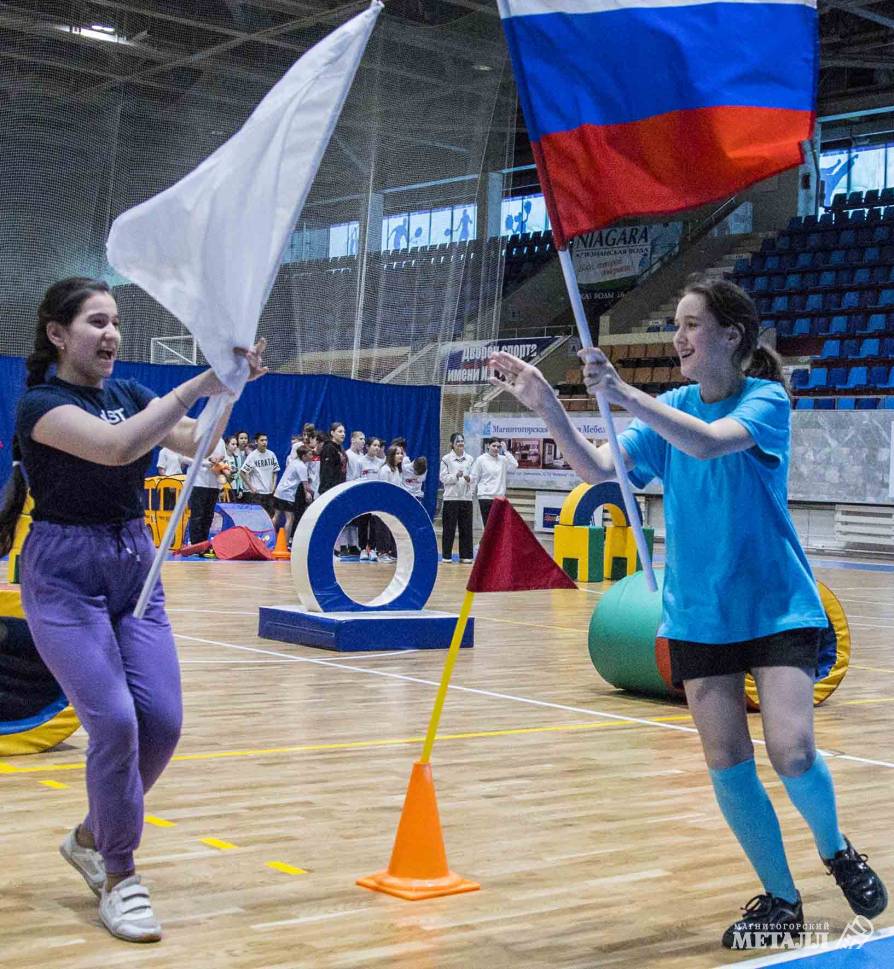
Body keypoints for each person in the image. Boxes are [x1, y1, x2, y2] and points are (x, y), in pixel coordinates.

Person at [489, 275, 887, 950]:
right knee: (727, 758)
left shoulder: (765, 402)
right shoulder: (666, 405)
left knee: (792, 750)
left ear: (731, 336)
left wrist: (623, 393)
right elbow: (598, 469)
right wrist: (549, 405)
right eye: (676, 324)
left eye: (690, 324)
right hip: (699, 613)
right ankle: (781, 898)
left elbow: (706, 441)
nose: (678, 337)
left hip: (777, 604)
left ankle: (836, 847)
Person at [0, 277, 266, 943]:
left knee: (163, 722)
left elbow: (197, 441)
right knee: (114, 722)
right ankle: (120, 873)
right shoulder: (41, 405)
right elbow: (117, 447)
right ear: (58, 333)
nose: (112, 333)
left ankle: (91, 834)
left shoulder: (128, 392)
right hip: (63, 573)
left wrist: (230, 388)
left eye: (116, 320)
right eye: (96, 321)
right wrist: (199, 380)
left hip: (133, 566)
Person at [183, 436, 227, 549]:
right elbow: (184, 458)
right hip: (197, 482)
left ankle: (203, 543)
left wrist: (220, 463)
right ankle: (195, 544)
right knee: (197, 515)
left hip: (214, 484)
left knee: (208, 515)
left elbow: (224, 460)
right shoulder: (196, 438)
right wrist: (207, 462)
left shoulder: (220, 441)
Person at [439, 432, 474, 563]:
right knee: (449, 528)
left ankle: (466, 556)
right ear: (452, 445)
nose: (460, 443)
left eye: (462, 441)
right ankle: (446, 556)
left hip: (466, 499)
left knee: (466, 528)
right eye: (458, 442)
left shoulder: (470, 459)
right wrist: (455, 476)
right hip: (451, 498)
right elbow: (442, 478)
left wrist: (470, 479)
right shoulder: (446, 459)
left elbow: (474, 477)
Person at [470, 439, 518, 528]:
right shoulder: (481, 459)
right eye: (494, 446)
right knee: (488, 526)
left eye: (498, 447)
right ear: (488, 445)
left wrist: (506, 451)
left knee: (499, 526)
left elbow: (515, 465)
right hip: (485, 497)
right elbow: (474, 476)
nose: (496, 448)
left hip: (499, 497)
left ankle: (495, 542)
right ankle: (487, 542)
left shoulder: (503, 459)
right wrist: (471, 493)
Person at [272, 444, 312, 542]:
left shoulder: (294, 462)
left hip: (279, 492)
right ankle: (285, 544)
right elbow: (305, 485)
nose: (312, 456)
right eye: (310, 454)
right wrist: (309, 493)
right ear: (304, 456)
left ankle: (268, 540)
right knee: (290, 518)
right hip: (287, 494)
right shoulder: (302, 467)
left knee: (276, 516)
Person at [377, 444, 406, 563]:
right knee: (382, 528)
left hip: (394, 505)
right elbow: (383, 488)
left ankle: (391, 552)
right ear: (391, 455)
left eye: (401, 453)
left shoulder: (397, 470)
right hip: (384, 504)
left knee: (391, 529)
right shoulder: (385, 470)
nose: (400, 456)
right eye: (397, 453)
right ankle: (381, 553)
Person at [240, 432, 279, 517]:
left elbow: (275, 471)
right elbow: (242, 472)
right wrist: (251, 487)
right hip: (258, 494)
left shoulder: (271, 454)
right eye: (262, 440)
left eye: (266, 440)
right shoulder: (252, 456)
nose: (264, 442)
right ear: (256, 442)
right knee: (257, 517)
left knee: (270, 517)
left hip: (269, 493)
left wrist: (273, 485)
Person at [358, 436, 384, 561]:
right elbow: (355, 478)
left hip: (376, 497)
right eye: (374, 445)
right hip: (363, 497)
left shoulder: (381, 462)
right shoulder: (360, 461)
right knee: (363, 523)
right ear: (367, 447)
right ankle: (363, 549)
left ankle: (372, 548)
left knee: (374, 524)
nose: (377, 448)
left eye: (378, 446)